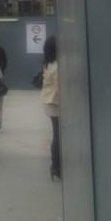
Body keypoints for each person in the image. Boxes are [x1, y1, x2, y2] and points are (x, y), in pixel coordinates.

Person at [41, 36, 61, 180]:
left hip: (50, 103)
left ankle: (55, 165)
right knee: (58, 136)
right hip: (57, 103)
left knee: (56, 134)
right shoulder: (57, 66)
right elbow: (60, 88)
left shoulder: (48, 64)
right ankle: (56, 165)